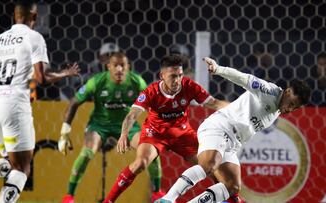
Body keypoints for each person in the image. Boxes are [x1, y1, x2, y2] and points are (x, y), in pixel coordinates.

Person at [0, 1, 80, 203]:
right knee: (23, 167)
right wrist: (66, 72)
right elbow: (42, 77)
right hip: (14, 106)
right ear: (34, 17)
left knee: (11, 162)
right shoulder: (34, 37)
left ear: (14, 16)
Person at [156, 57, 311, 203]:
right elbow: (243, 78)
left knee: (232, 186)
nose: (289, 109)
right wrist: (218, 69)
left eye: (294, 108)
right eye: (291, 103)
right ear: (288, 92)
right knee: (209, 165)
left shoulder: (278, 109)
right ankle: (168, 199)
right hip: (220, 127)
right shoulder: (269, 91)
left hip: (233, 142)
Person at [101, 54, 229, 203]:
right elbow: (132, 115)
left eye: (180, 75)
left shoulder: (189, 86)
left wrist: (240, 107)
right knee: (140, 163)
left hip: (182, 134)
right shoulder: (151, 91)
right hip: (155, 133)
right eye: (173, 76)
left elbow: (214, 103)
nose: (177, 80)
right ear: (162, 75)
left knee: (210, 166)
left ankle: (231, 197)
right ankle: (108, 201)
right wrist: (124, 134)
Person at [58, 52, 164, 203]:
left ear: (128, 67)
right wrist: (64, 133)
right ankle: (69, 196)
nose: (119, 69)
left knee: (151, 150)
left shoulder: (136, 82)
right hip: (99, 125)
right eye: (116, 65)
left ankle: (157, 193)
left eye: (123, 65)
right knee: (87, 153)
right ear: (108, 67)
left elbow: (152, 105)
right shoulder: (97, 81)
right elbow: (75, 101)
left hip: (128, 126)